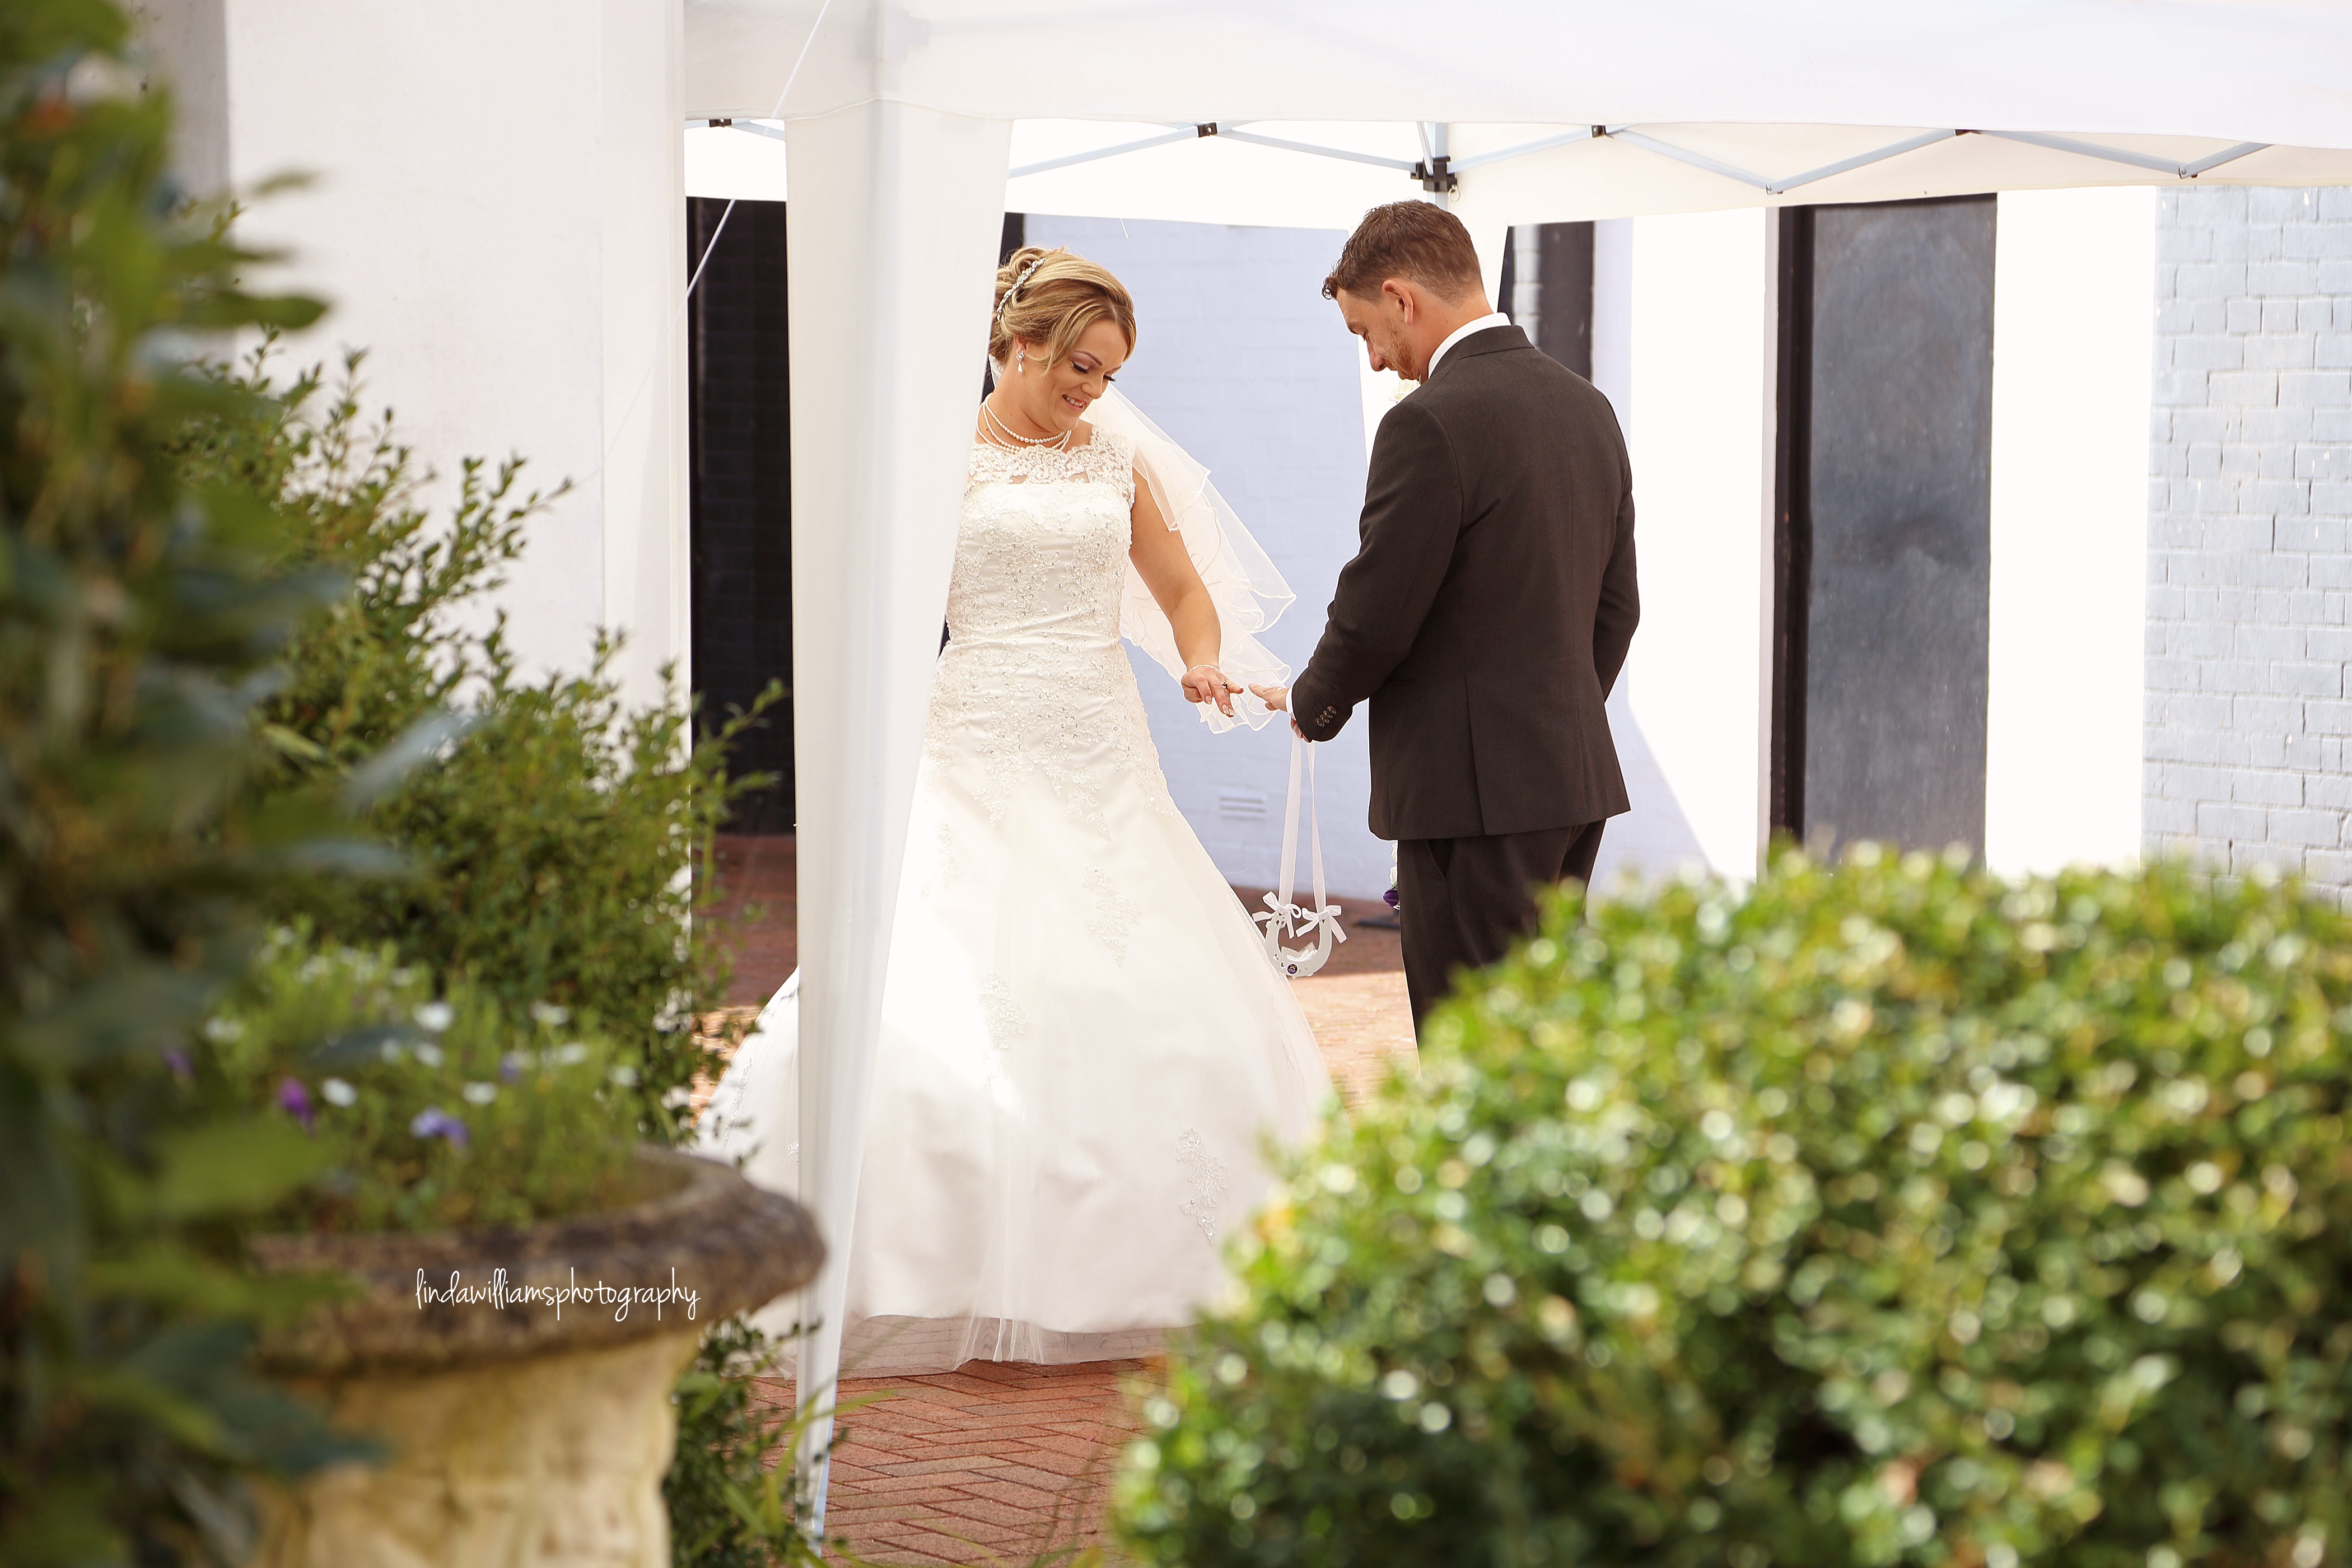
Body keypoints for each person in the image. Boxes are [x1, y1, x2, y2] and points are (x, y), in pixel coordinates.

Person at [703, 248, 1332, 1376]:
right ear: (1020, 342)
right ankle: (915, 1256)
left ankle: (1140, 1258)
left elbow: (1183, 590)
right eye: (1081, 366)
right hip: (975, 727)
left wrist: (1200, 660)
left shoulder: (1118, 460)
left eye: (1110, 374)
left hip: (1098, 736)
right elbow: (885, 609)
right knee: (947, 962)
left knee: (1137, 972)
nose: (1094, 390)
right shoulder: (939, 460)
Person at [1255, 202, 1640, 1028]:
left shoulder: (1427, 422)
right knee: (1548, 1033)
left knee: (1473, 1041)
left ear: (1402, 298)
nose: (1374, 358)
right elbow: (1618, 608)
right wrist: (1549, 718)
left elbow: (1378, 608)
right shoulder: (1588, 407)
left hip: (1469, 798)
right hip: (1568, 782)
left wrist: (1313, 703)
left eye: (1366, 331)